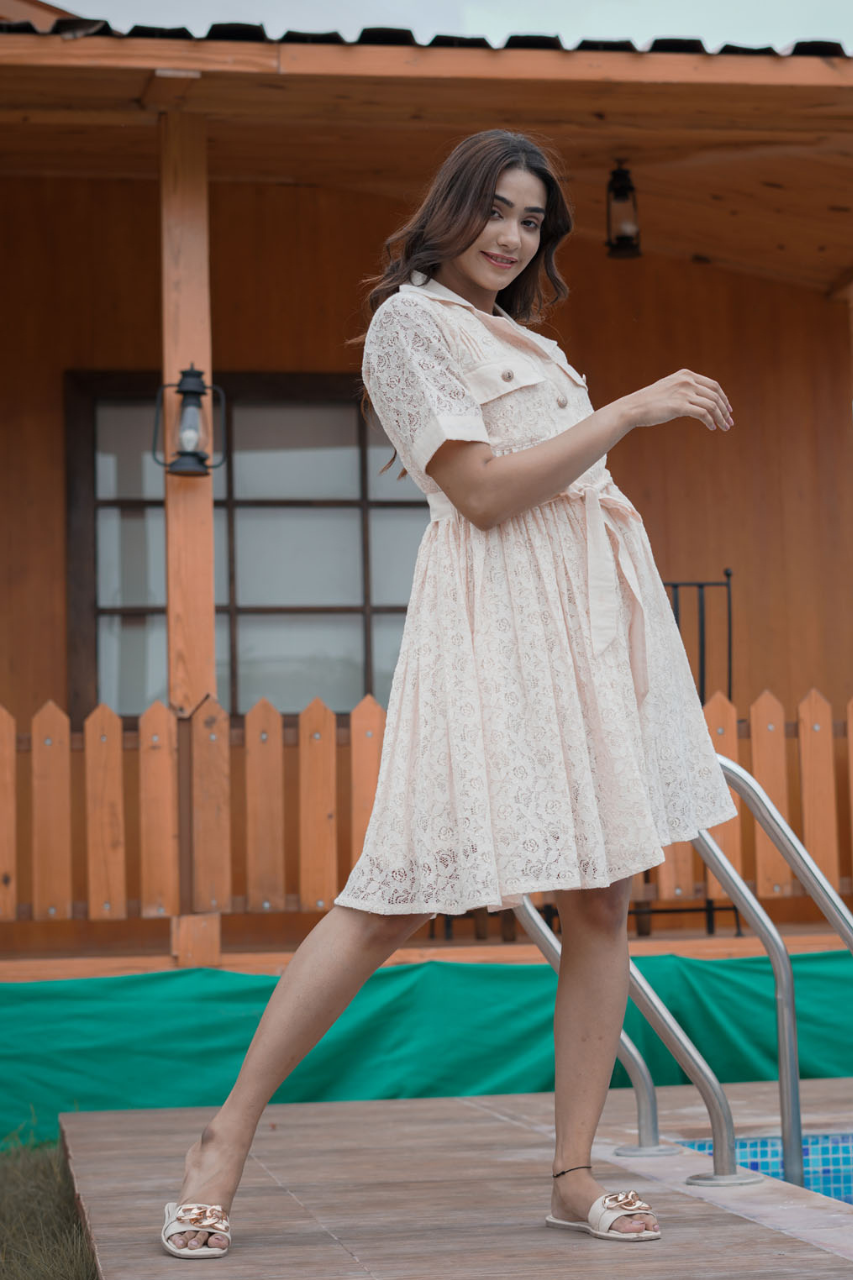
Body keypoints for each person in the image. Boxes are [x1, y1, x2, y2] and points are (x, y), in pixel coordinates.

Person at [161, 129, 738, 1258]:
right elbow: (476, 492)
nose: (513, 235)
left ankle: (571, 1168)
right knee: (392, 889)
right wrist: (625, 411)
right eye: (499, 210)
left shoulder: (526, 339)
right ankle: (222, 1137)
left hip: (581, 622)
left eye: (532, 221)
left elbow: (570, 495)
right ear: (454, 206)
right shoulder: (409, 324)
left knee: (603, 897)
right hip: (493, 620)